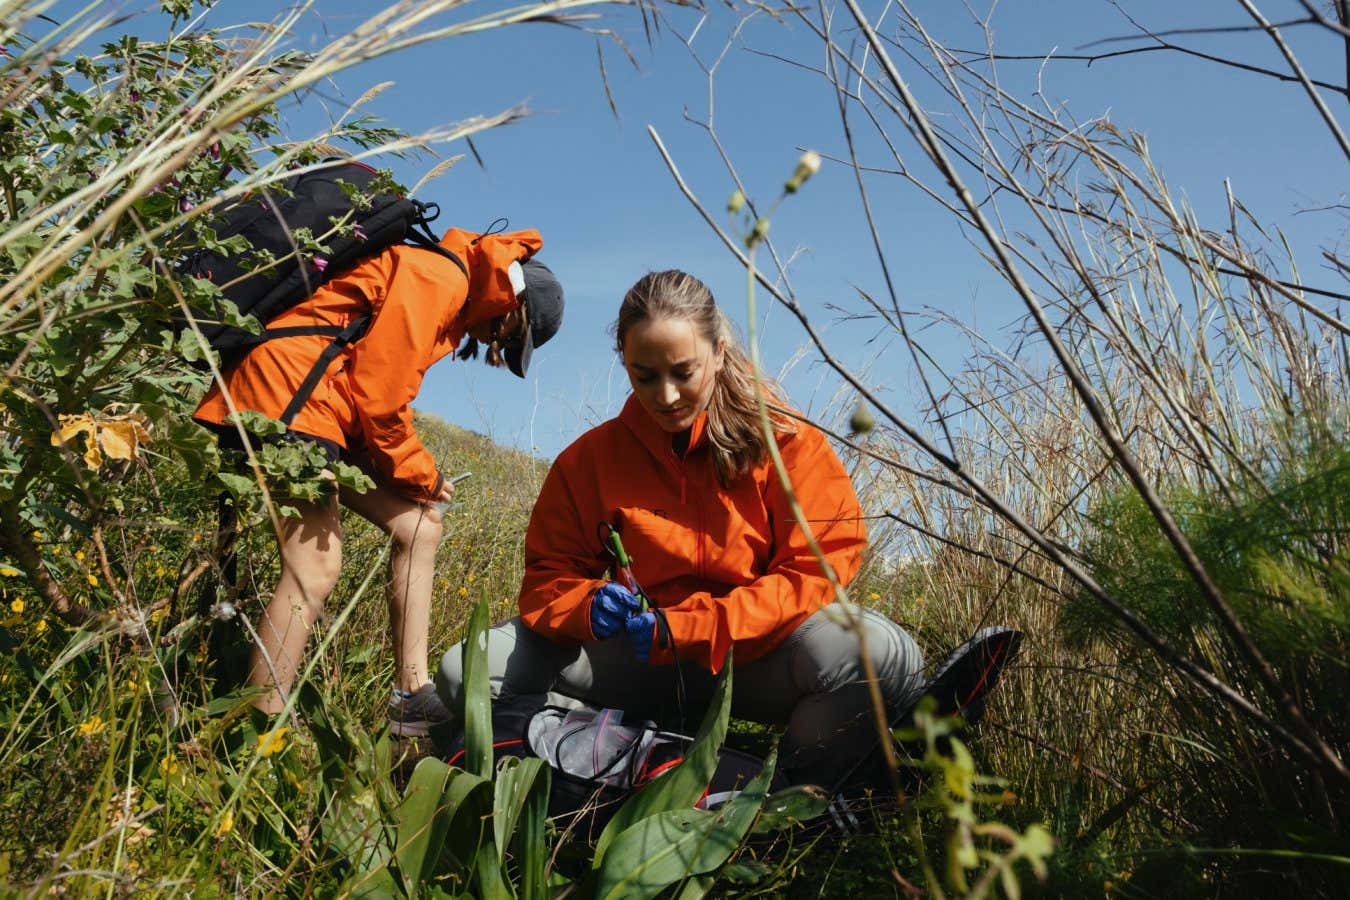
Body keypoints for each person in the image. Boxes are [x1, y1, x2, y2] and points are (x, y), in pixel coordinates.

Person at [436, 269, 924, 788]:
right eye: (644, 376)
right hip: (637, 660)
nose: (665, 396)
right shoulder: (588, 461)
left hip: (750, 656)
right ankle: (632, 761)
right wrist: (586, 605)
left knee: (883, 660)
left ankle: (786, 796)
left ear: (718, 352)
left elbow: (818, 568)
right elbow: (546, 580)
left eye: (684, 372)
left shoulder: (788, 444)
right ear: (623, 362)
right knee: (462, 671)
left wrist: (698, 626)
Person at [193, 226, 564, 736]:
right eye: (509, 336)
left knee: (419, 527)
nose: (495, 344)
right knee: (316, 565)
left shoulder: (446, 288)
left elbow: (362, 377)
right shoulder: (437, 278)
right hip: (284, 396)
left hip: (319, 408)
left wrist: (414, 483)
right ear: (512, 305)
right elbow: (379, 395)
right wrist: (424, 473)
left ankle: (410, 699)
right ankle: (262, 730)